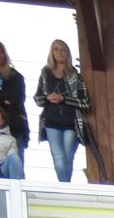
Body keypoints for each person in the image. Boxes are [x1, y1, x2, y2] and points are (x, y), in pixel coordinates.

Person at [33, 39, 88, 182]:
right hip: (51, 122)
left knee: (67, 158)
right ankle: (65, 186)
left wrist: (64, 99)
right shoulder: (45, 73)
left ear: (68, 53)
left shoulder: (75, 76)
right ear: (51, 53)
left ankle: (64, 187)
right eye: (56, 49)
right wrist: (48, 98)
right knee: (58, 159)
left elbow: (85, 102)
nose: (60, 52)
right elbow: (38, 99)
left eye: (63, 49)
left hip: (71, 123)